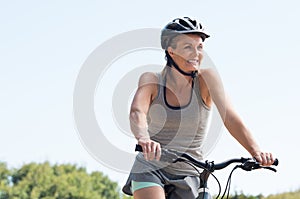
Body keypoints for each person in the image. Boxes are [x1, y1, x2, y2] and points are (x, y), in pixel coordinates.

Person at [122, 17, 274, 199]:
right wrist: (144, 138)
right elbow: (137, 112)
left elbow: (231, 118)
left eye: (200, 47)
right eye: (188, 47)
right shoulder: (152, 80)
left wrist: (256, 152)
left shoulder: (207, 80)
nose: (196, 53)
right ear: (171, 51)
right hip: (151, 168)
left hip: (192, 173)